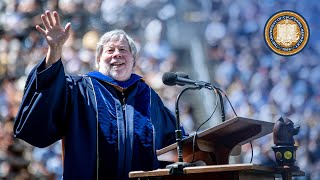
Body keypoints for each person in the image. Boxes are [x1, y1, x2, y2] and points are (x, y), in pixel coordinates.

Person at [13, 10, 180, 180]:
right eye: (110, 50)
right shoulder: (79, 89)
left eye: (123, 49)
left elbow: (175, 139)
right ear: (98, 60)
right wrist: (55, 50)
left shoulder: (148, 97)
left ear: (133, 61)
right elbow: (45, 105)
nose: (117, 54)